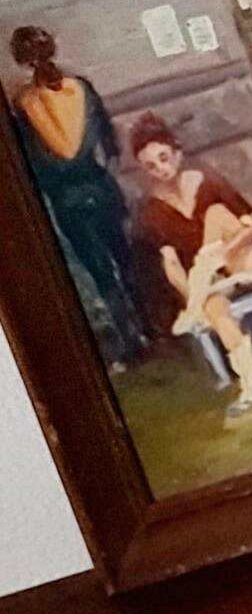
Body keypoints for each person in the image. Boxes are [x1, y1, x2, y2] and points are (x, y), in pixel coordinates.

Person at [123, 116, 252, 421]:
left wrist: (221, 252)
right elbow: (171, 263)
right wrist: (194, 298)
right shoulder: (151, 209)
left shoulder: (205, 178)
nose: (162, 168)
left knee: (216, 214)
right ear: (144, 171)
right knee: (214, 306)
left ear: (176, 152)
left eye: (164, 158)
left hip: (242, 261)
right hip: (212, 281)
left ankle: (212, 274)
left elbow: (250, 225)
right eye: (152, 166)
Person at [8, 26, 142, 364]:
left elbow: (32, 162)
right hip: (99, 184)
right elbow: (110, 143)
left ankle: (130, 341)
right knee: (124, 257)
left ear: (22, 61)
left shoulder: (24, 103)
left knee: (100, 270)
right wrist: (105, 175)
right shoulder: (80, 88)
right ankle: (148, 327)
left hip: (66, 196)